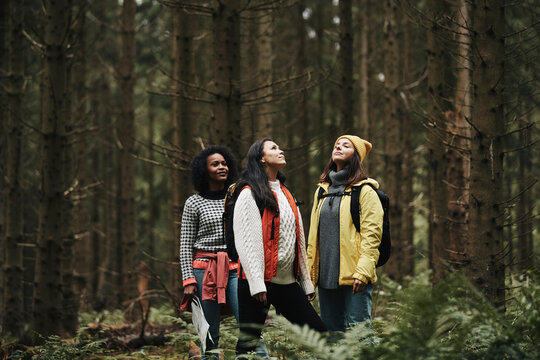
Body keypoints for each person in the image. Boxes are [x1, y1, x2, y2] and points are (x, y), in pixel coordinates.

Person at [233, 138, 327, 356]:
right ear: (262, 158)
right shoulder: (249, 193)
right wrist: (257, 284)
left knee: (320, 334)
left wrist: (306, 281)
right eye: (274, 148)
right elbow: (246, 241)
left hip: (286, 283)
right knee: (248, 343)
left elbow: (298, 239)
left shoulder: (285, 192)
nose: (281, 150)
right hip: (256, 285)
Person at [307, 135, 384, 336]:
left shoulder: (365, 191)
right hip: (325, 276)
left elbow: (372, 236)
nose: (339, 147)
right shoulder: (321, 191)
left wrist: (364, 272)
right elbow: (313, 238)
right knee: (332, 335)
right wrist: (309, 275)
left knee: (360, 334)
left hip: (355, 277)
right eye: (336, 145)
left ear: (356, 155)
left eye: (346, 145)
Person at [179, 146, 239, 358]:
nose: (222, 167)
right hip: (204, 270)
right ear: (204, 170)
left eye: (224, 163)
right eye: (215, 164)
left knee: (249, 323)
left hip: (234, 268)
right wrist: (188, 279)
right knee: (210, 332)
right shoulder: (194, 202)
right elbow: (186, 244)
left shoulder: (237, 198)